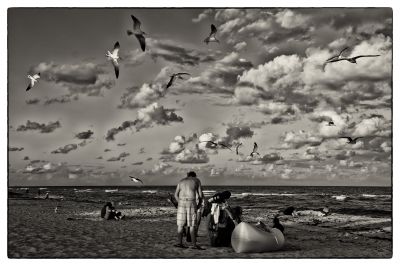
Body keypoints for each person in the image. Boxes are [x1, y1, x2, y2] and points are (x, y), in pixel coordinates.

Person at [174, 171, 204, 249]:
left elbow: (175, 195)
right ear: (194, 176)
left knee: (180, 225)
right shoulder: (196, 180)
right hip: (191, 202)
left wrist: (179, 202)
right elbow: (200, 195)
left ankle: (179, 243)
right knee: (192, 225)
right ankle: (194, 245)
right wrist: (199, 204)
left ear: (187, 176)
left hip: (181, 202)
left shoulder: (181, 181)